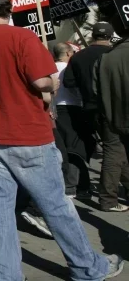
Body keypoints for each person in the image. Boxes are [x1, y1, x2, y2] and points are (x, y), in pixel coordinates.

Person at [0, 0, 123, 281]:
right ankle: (87, 267)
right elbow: (40, 81)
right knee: (55, 204)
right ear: (9, 10)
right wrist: (53, 82)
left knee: (2, 206)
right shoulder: (23, 38)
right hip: (28, 134)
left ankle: (7, 273)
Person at [64, 22, 126, 211]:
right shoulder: (112, 54)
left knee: (116, 150)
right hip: (114, 108)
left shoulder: (78, 57)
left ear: (93, 36)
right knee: (114, 151)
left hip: (93, 109)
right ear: (109, 36)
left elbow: (69, 82)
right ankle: (108, 197)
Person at [94, 15, 129, 210]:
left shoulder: (106, 58)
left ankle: (108, 199)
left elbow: (95, 89)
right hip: (114, 115)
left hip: (111, 115)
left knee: (113, 156)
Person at [52, 43, 92, 200]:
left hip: (55, 110)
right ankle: (75, 186)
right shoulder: (70, 67)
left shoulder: (50, 67)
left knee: (63, 150)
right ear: (68, 53)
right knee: (74, 150)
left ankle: (73, 184)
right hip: (72, 109)